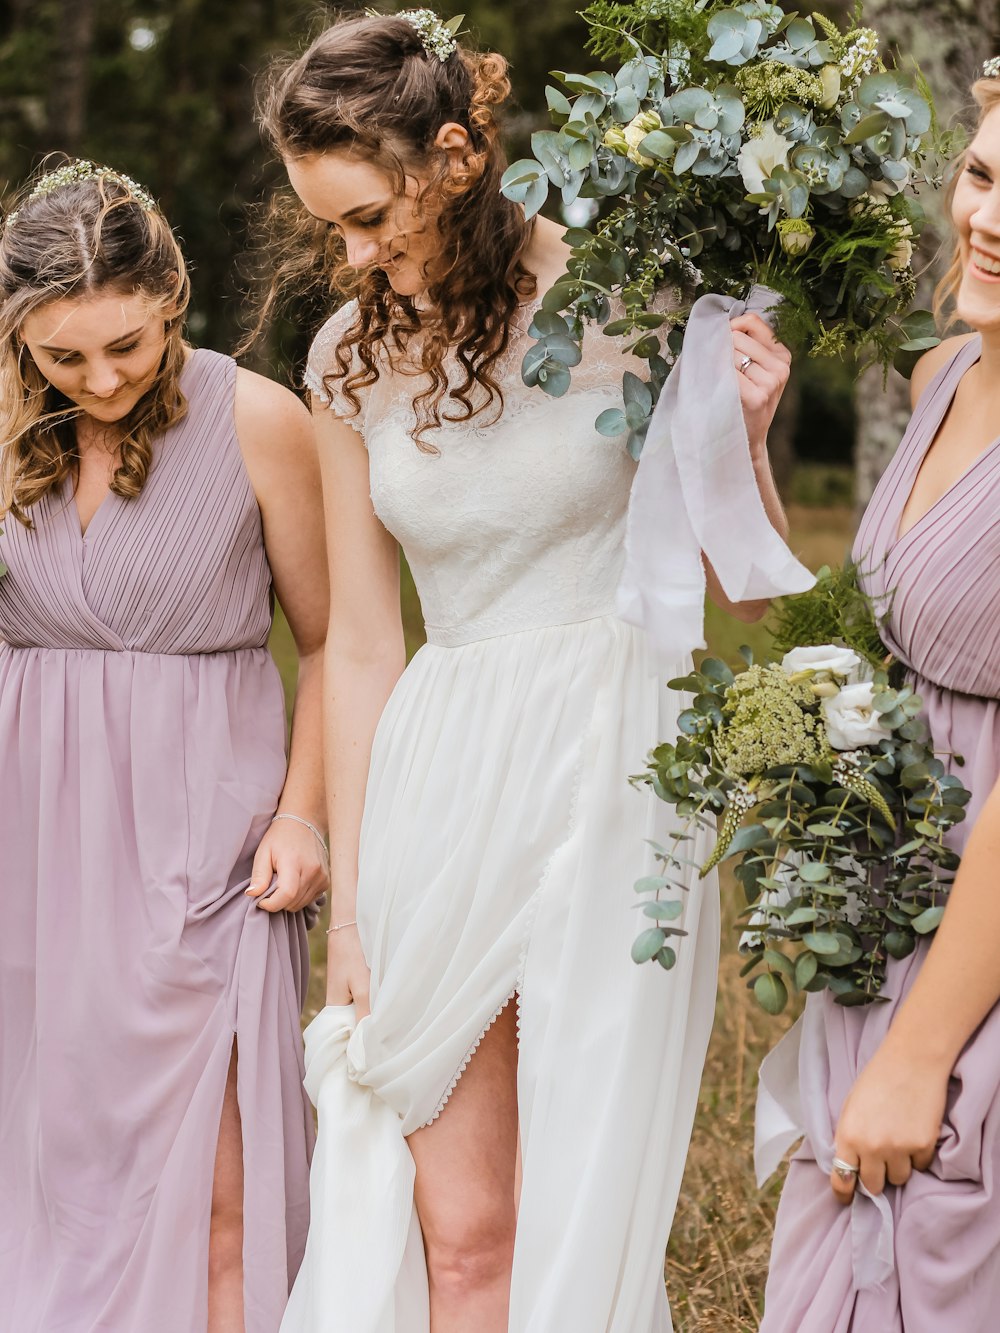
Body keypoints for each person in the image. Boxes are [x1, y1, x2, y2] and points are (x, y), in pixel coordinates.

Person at [258, 12, 793, 1332]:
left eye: (372, 214)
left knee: (588, 1199)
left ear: (455, 157)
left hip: (619, 762)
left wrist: (751, 429)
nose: (356, 252)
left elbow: (738, 586)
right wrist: (362, 909)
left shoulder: (634, 295)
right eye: (333, 225)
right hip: (448, 764)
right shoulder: (346, 358)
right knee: (465, 1218)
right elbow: (369, 639)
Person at [0, 161, 329, 1333]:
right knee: (47, 1167)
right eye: (63, 357)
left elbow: (333, 643)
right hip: (33, 850)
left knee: (218, 1188)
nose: (101, 380)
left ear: (173, 293)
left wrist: (303, 810)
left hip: (207, 843)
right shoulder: (2, 431)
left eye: (127, 346)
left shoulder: (260, 419)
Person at [758, 66, 1000, 1331]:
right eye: (981, 173)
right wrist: (751, 448)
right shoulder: (943, 379)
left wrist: (919, 1057)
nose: (989, 219)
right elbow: (854, 643)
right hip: (896, 901)